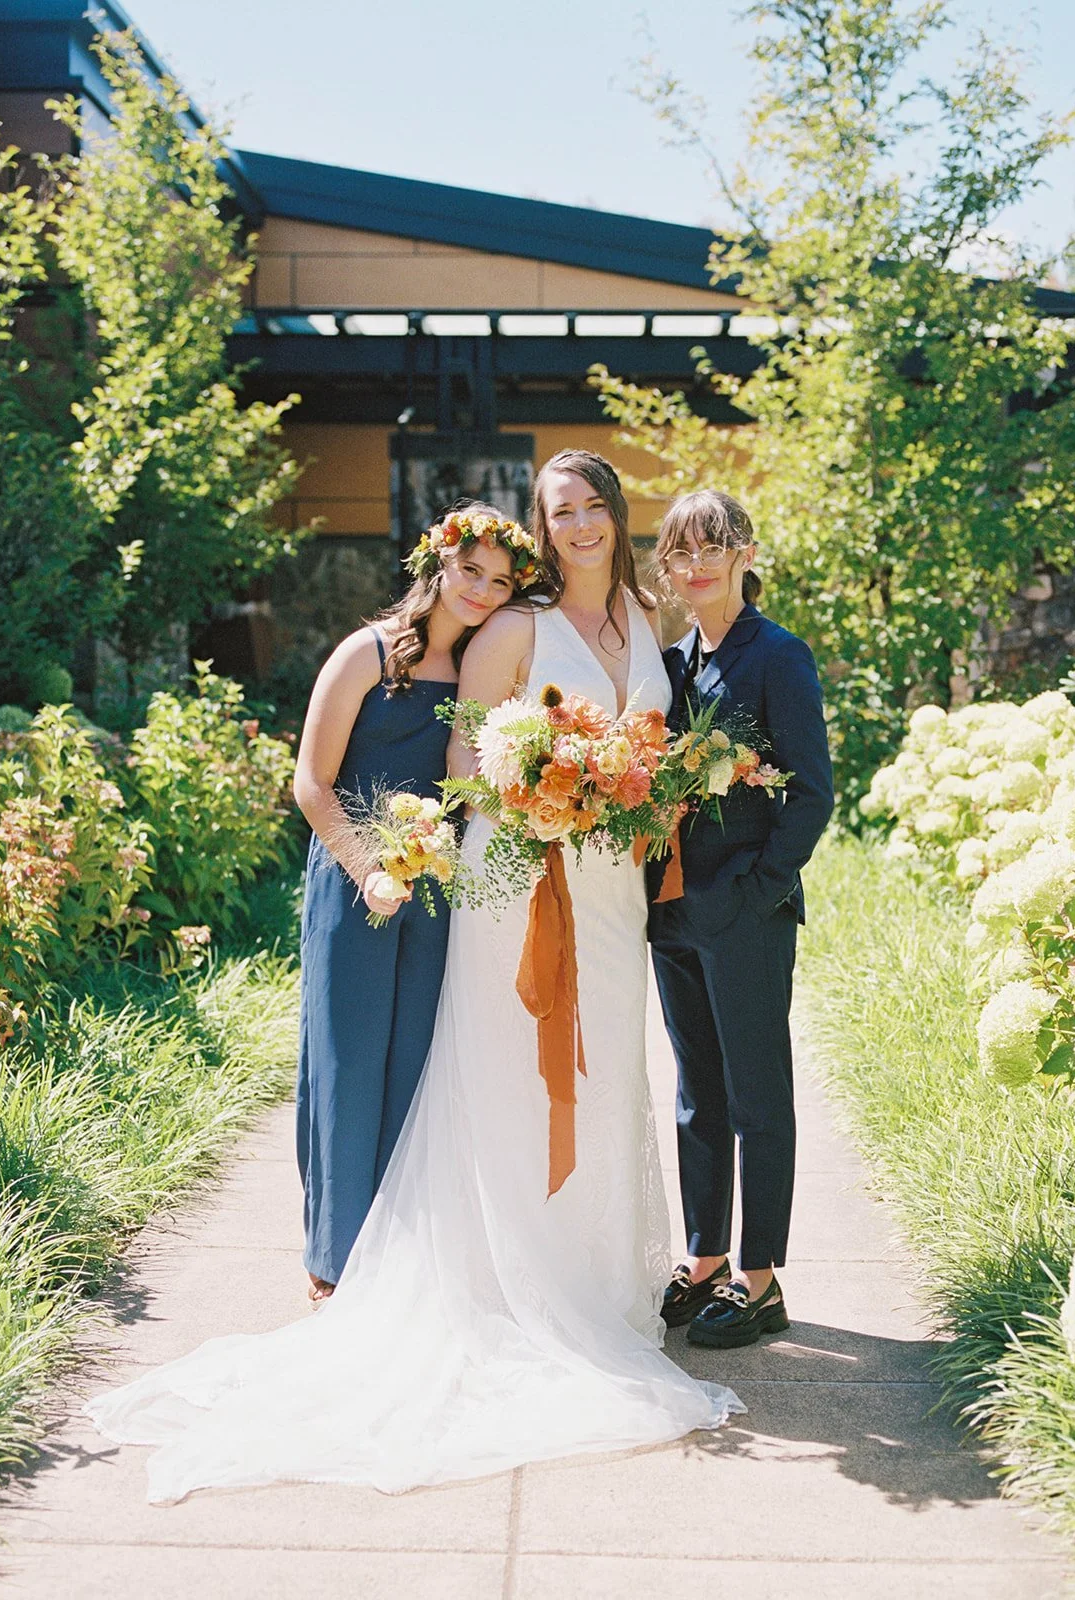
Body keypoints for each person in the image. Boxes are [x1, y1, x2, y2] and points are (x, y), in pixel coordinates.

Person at [83, 452, 741, 1504]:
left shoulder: (651, 621)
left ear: (616, 515)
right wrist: (547, 806)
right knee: (490, 1072)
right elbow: (470, 768)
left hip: (612, 886)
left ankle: (594, 1276)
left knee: (609, 1067)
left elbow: (650, 741)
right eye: (556, 511)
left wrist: (641, 798)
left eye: (588, 507)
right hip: (520, 868)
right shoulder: (505, 634)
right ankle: (452, 1268)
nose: (576, 524)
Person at [291, 503, 535, 1298]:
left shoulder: (477, 675)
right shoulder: (363, 655)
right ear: (437, 563)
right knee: (348, 1060)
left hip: (434, 890)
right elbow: (312, 783)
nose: (482, 591)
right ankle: (334, 1261)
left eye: (500, 582)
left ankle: (397, 1258)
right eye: (472, 571)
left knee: (416, 1063)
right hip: (354, 879)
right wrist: (366, 869)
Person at [648, 489, 834, 1348]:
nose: (697, 565)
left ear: (745, 553)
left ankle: (760, 1281)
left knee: (757, 1096)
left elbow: (811, 794)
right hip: (674, 912)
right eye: (683, 550)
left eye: (713, 547)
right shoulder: (675, 659)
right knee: (696, 1096)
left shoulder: (778, 656)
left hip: (744, 913)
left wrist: (753, 895)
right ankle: (705, 1258)